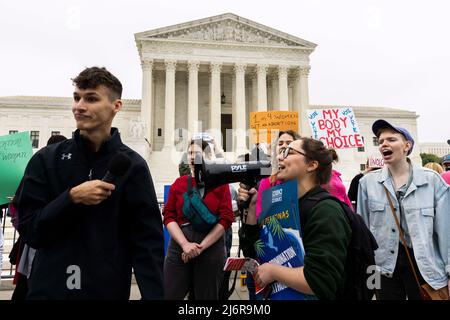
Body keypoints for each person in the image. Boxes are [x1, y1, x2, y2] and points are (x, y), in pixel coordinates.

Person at [17, 67, 164, 299]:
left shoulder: (132, 166)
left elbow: (147, 242)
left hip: (105, 291)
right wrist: (71, 198)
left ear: (116, 106)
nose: (79, 106)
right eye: (77, 97)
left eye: (91, 98)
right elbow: (29, 230)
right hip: (50, 290)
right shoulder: (46, 160)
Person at [239, 138, 352, 299]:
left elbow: (321, 281)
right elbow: (254, 251)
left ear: (311, 165)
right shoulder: (278, 203)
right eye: (281, 151)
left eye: (289, 152)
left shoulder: (326, 210)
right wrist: (251, 210)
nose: (279, 157)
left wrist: (273, 271)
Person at [358, 119, 450, 300]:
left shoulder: (432, 181)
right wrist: (368, 278)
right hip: (382, 268)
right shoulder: (367, 183)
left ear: (407, 146)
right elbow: (364, 235)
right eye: (381, 140)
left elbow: (447, 232)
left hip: (426, 267)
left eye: (391, 139)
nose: (384, 143)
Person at [163, 139, 234, 300]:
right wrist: (184, 244)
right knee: (169, 294)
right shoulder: (179, 184)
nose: (192, 157)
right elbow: (168, 216)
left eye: (197, 153)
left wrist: (200, 248)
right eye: (190, 153)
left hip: (211, 247)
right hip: (179, 248)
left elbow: (226, 218)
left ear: (208, 156)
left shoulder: (220, 185)